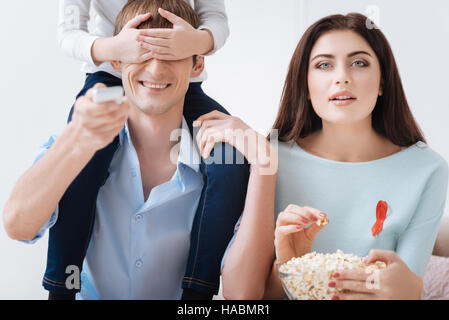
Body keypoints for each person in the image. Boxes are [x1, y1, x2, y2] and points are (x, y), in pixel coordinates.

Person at [2, 0, 258, 300]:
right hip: (104, 67)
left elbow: (246, 298)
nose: (156, 67)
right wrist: (75, 140)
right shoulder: (80, 142)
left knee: (231, 163)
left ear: (197, 64)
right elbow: (17, 225)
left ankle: (197, 293)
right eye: (142, 53)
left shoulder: (220, 152)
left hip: (184, 76)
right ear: (118, 62)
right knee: (83, 167)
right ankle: (62, 287)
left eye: (169, 53)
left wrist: (198, 40)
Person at [209, 13, 449, 300]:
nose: (342, 77)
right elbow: (246, 299)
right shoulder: (267, 157)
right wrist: (288, 265)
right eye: (324, 65)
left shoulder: (427, 170)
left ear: (382, 81)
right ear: (305, 86)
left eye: (359, 63)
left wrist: (404, 288)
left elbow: (407, 287)